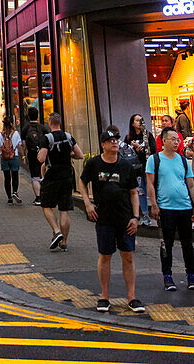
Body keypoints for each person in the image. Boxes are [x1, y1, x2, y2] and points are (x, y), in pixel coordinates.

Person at [78, 126, 145, 314]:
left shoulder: (125, 166)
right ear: (103, 145)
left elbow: (133, 192)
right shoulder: (94, 164)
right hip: (104, 218)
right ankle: (104, 296)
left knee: (128, 256)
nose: (115, 142)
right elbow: (82, 182)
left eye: (116, 139)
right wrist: (88, 203)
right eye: (110, 140)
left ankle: (131, 297)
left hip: (125, 219)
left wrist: (135, 217)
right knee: (105, 256)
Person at [146, 126, 194, 291]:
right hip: (166, 208)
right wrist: (154, 204)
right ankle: (168, 276)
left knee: (188, 243)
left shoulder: (182, 160)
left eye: (178, 139)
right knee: (167, 244)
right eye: (173, 139)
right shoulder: (154, 159)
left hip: (185, 207)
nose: (176, 142)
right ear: (163, 140)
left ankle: (191, 275)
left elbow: (191, 185)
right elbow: (150, 184)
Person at [37, 112, 83, 251]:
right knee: (64, 210)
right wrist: (69, 155)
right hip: (67, 175)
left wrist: (40, 153)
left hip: (52, 175)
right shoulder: (68, 137)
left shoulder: (47, 138)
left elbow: (41, 159)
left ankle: (56, 231)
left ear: (50, 123)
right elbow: (80, 155)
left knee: (46, 205)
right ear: (60, 123)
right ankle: (64, 242)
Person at [123, 114, 156, 227]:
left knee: (151, 189)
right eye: (137, 120)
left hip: (148, 167)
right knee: (141, 191)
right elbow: (124, 152)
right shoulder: (128, 137)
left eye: (141, 120)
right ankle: (145, 215)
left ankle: (155, 211)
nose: (139, 122)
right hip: (135, 169)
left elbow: (153, 151)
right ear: (132, 123)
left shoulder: (147, 135)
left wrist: (140, 148)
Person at [21, 106, 48, 205]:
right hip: (42, 153)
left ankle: (38, 198)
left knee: (34, 176)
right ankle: (45, 195)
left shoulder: (26, 128)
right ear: (37, 116)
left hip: (32, 154)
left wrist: (25, 155)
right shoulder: (43, 127)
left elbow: (23, 143)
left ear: (28, 116)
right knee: (43, 174)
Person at [0, 115, 22, 204]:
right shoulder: (16, 134)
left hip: (4, 158)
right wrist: (23, 156)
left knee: (7, 177)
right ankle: (14, 192)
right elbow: (19, 146)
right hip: (14, 156)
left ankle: (9, 198)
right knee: (15, 175)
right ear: (12, 124)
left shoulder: (1, 135)